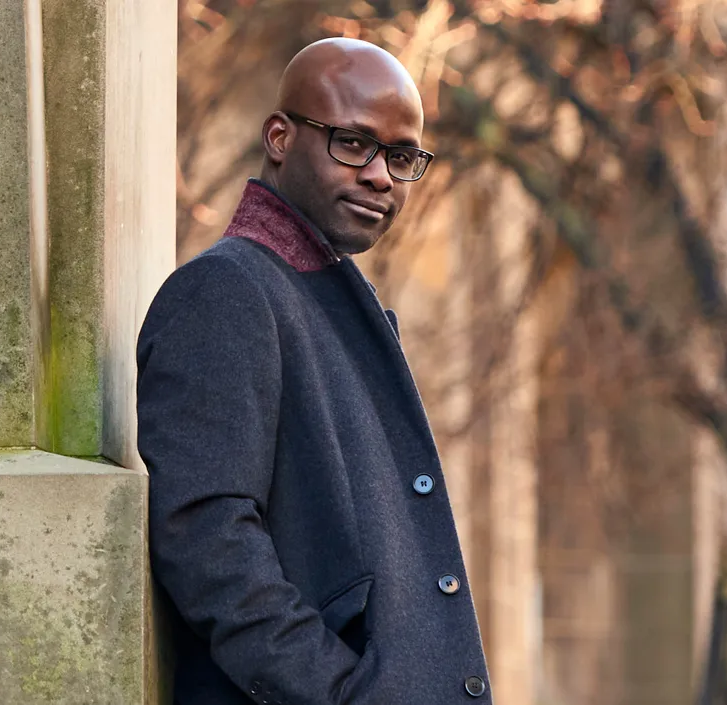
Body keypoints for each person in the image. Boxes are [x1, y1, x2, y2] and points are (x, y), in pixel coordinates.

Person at [137, 38, 491, 704]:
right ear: (279, 137)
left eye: (401, 157)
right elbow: (208, 539)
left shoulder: (322, 298)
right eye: (353, 144)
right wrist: (345, 693)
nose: (381, 176)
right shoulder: (225, 291)